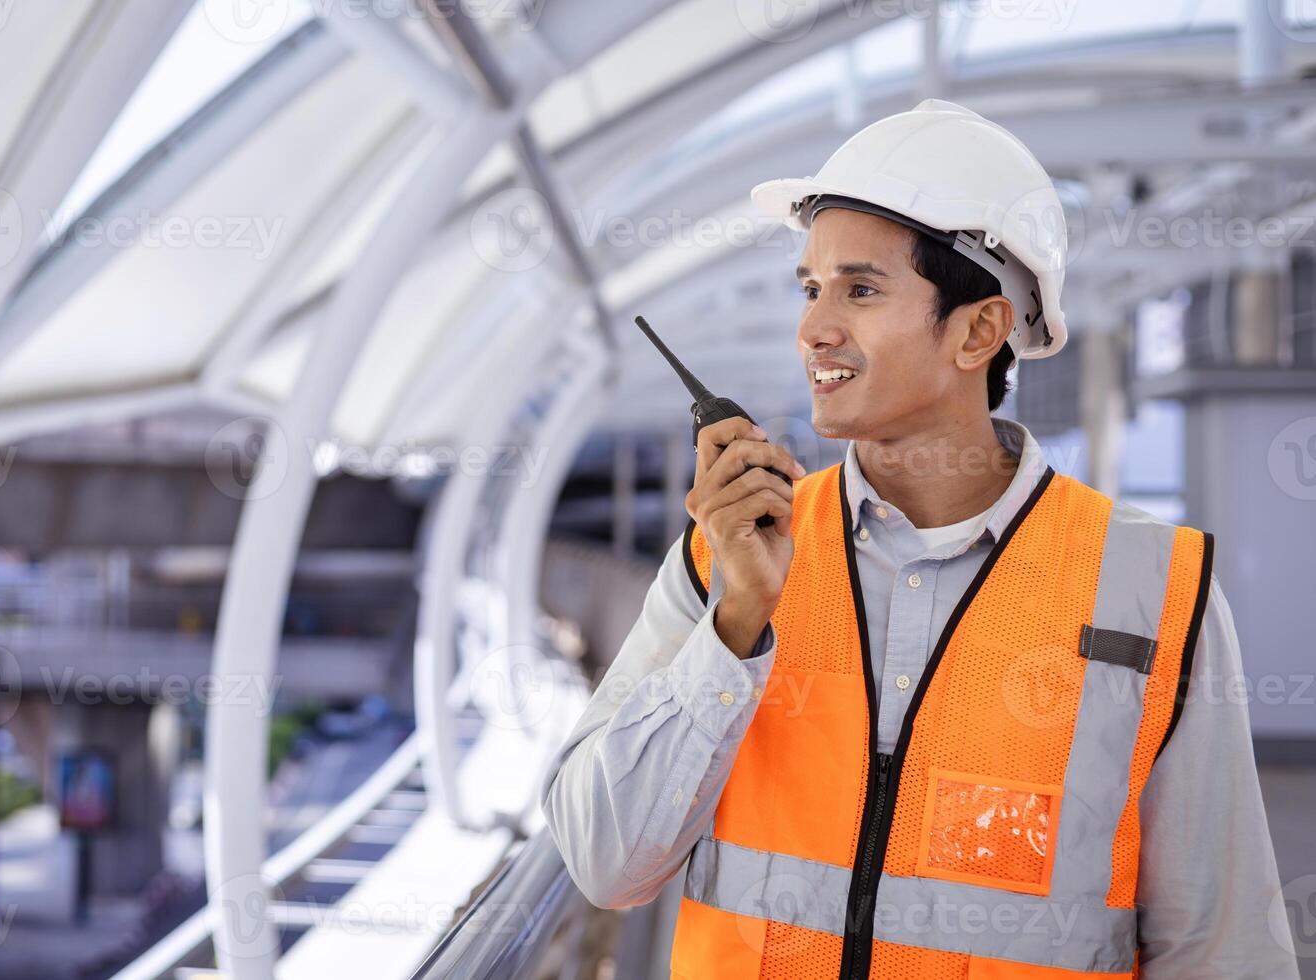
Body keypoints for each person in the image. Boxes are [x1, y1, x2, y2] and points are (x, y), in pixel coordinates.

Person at [540, 99, 1298, 978]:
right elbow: (605, 864)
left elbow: (1223, 949)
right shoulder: (726, 557)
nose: (814, 327)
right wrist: (735, 626)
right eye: (811, 288)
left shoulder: (1157, 592)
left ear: (979, 329)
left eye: (860, 290)